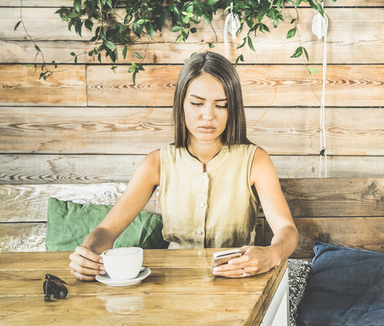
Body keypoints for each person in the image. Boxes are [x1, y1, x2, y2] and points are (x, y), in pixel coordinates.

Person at [69, 51, 298, 280]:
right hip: (173, 283)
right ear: (181, 103)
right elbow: (106, 231)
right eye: (197, 103)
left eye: (221, 105)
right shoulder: (156, 162)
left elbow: (286, 230)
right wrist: (89, 253)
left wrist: (272, 254)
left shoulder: (256, 160)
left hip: (238, 281)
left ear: (233, 109)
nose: (208, 116)